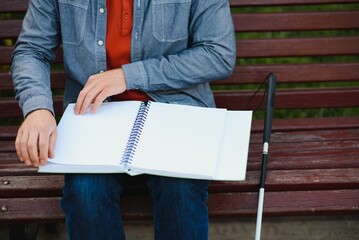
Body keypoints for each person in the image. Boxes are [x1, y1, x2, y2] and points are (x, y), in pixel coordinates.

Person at [12, 0, 236, 239]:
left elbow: (218, 53)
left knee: (180, 189)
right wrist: (38, 109)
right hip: (94, 118)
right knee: (86, 192)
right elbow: (32, 50)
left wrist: (128, 76)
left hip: (177, 112)